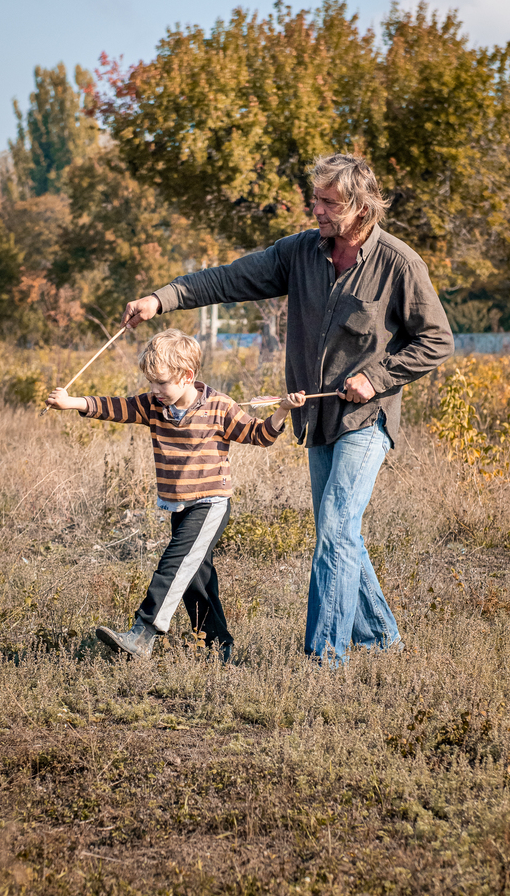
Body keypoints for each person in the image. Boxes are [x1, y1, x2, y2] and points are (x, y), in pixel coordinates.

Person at [120, 154, 455, 663]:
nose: (316, 209)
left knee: (338, 528)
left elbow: (437, 340)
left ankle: (324, 659)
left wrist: (377, 377)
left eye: (328, 202)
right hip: (315, 418)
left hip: (366, 420)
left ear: (361, 207)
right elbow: (228, 279)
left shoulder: (398, 263)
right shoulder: (299, 253)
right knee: (337, 531)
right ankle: (383, 638)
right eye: (315, 199)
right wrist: (161, 300)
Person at [47, 328, 307, 661]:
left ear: (187, 376)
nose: (154, 391)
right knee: (194, 580)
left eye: (161, 383)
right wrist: (73, 403)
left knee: (173, 565)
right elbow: (117, 407)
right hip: (179, 505)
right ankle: (219, 647)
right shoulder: (153, 406)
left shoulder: (219, 406)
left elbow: (259, 434)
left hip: (211, 503)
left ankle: (143, 633)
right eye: (151, 383)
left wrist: (283, 410)